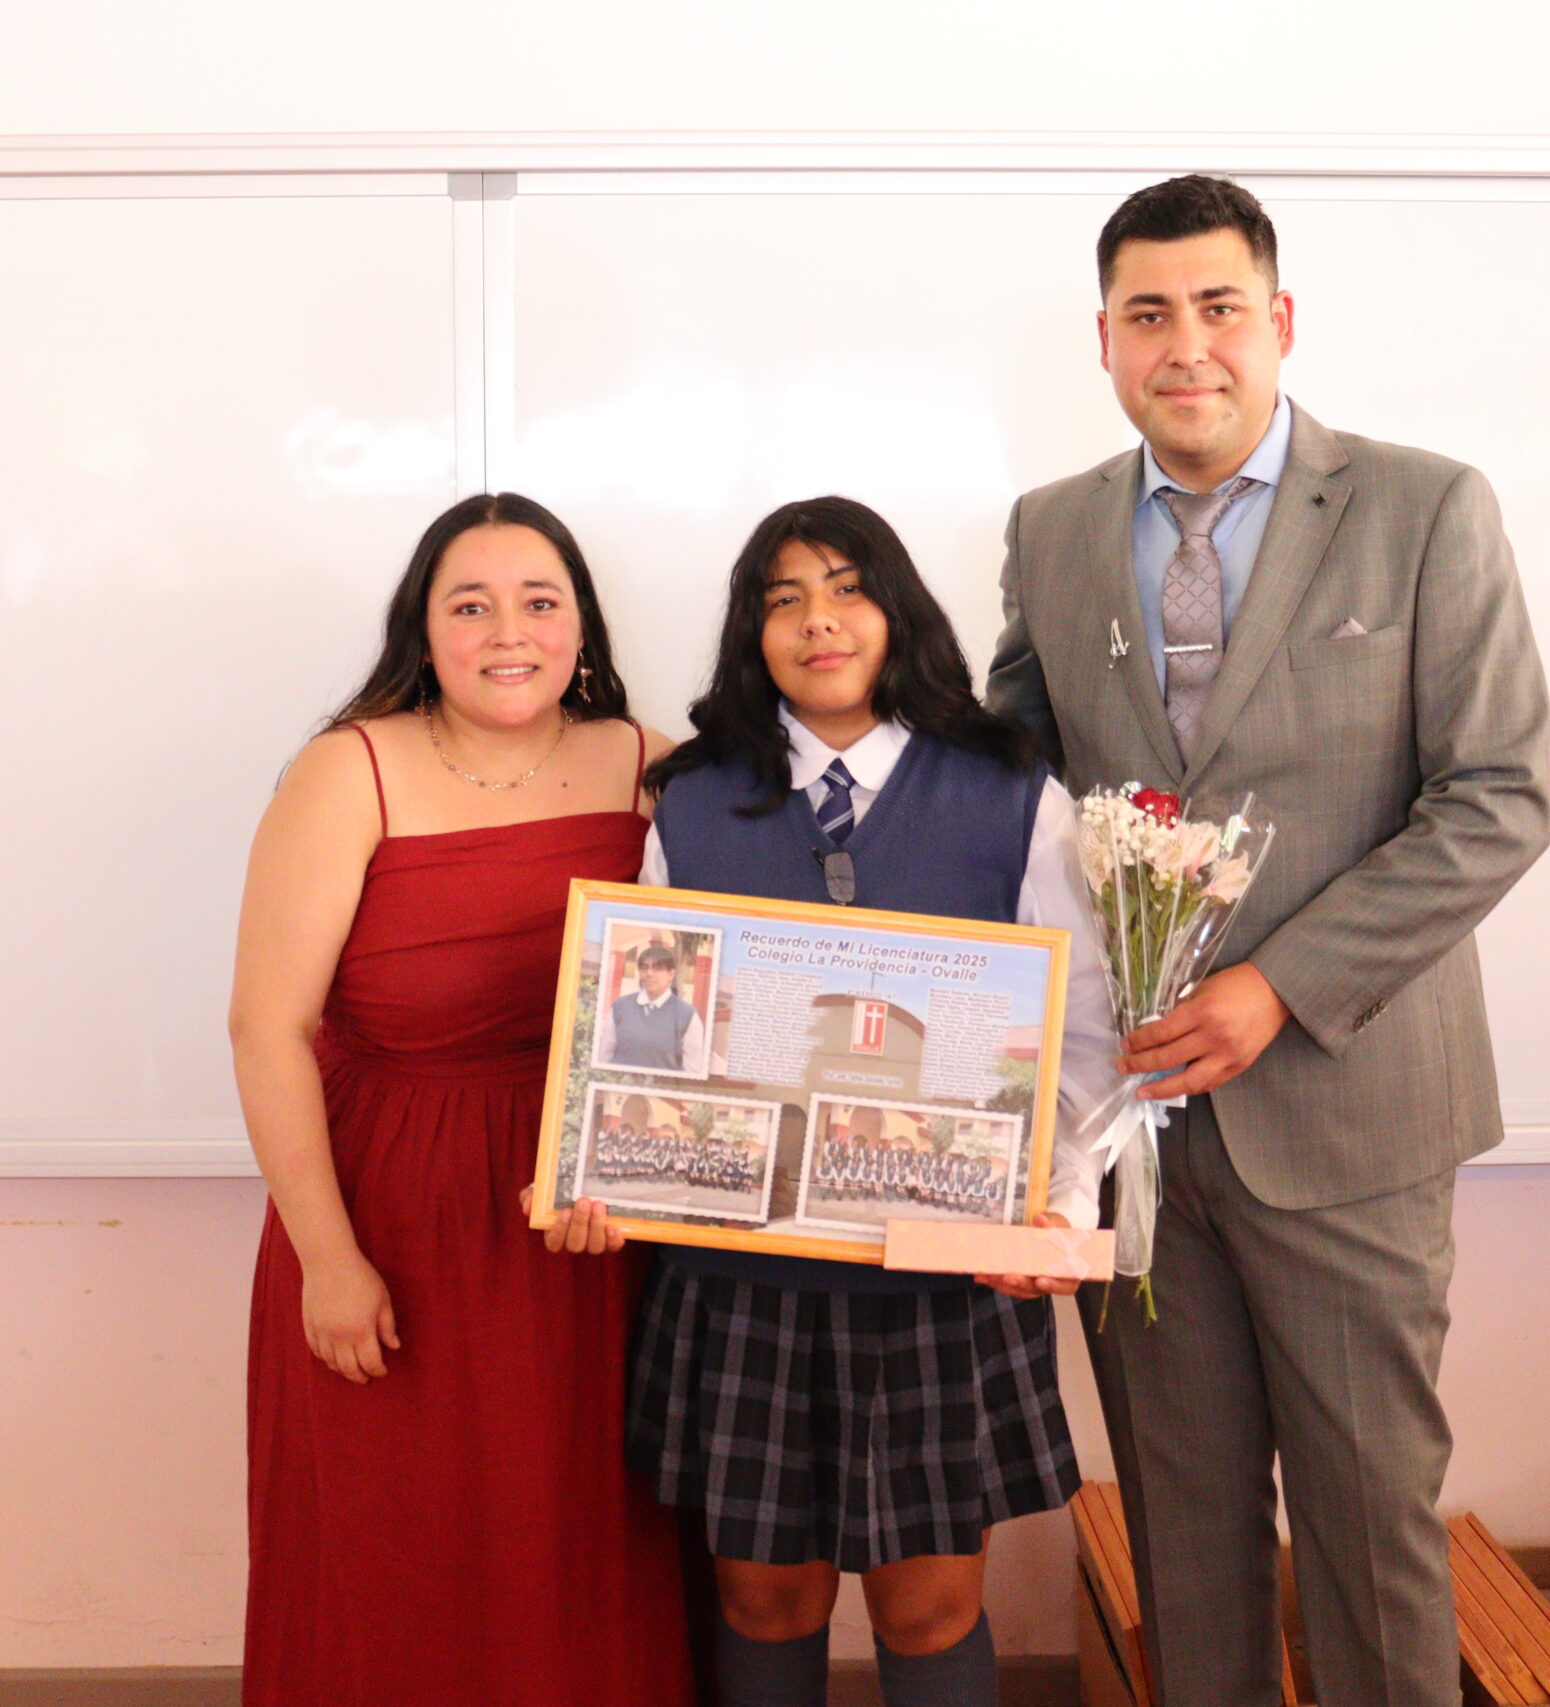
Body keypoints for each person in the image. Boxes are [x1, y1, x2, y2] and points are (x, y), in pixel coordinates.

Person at [986, 175, 1550, 1707]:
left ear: (1280, 320)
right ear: (1105, 339)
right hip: (1134, 1127)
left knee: (1370, 1526)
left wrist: (1277, 987)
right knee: (1183, 1538)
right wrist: (778, 776)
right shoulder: (1052, 529)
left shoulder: (1426, 507)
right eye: (1149, 314)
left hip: (1350, 1115)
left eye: (1219, 307)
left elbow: (1499, 798)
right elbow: (1008, 788)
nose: (1187, 345)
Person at [625, 496, 1132, 1707]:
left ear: (897, 611)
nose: (819, 621)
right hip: (747, 1278)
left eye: (847, 589)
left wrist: (1058, 1206)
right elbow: (652, 1037)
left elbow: (1083, 1028)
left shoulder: (1012, 791)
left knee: (930, 1606)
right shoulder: (688, 801)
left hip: (942, 1281)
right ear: (752, 634)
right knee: (762, 1601)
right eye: (783, 598)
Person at [228, 492, 693, 1706]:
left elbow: (709, 1003)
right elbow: (266, 1030)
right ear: (422, 629)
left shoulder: (648, 766)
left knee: (577, 1540)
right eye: (471, 605)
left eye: (539, 602)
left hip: (588, 1228)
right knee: (397, 1548)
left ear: (580, 625)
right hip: (392, 1217)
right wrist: (329, 1260)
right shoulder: (348, 770)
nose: (509, 633)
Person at [595, 940, 708, 1073]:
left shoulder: (687, 1015)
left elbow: (692, 1070)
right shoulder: (620, 1006)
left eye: (657, 968)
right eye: (644, 967)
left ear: (671, 974)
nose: (649, 973)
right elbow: (604, 1056)